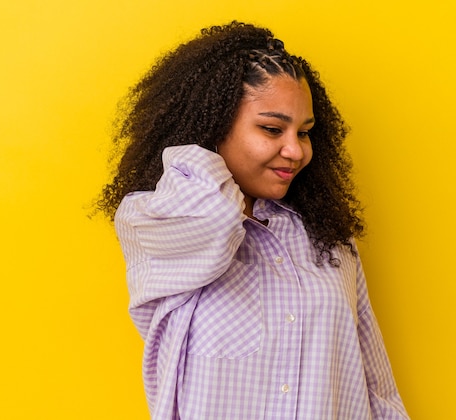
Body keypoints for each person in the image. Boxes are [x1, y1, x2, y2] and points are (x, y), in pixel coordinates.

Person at [97, 21, 409, 420]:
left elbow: (374, 386)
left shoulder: (328, 241)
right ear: (212, 125)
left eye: (305, 132)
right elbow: (215, 221)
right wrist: (205, 148)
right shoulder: (153, 219)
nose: (296, 151)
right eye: (272, 128)